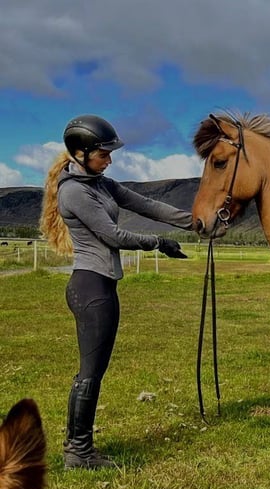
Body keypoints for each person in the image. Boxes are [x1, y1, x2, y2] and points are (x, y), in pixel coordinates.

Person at [39, 114, 193, 470]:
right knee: (90, 372)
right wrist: (159, 242)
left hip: (101, 285)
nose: (110, 159)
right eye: (103, 153)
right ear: (80, 153)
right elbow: (113, 235)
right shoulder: (75, 191)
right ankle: (78, 452)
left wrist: (194, 222)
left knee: (94, 370)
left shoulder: (101, 184)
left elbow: (147, 205)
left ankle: (78, 447)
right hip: (90, 287)